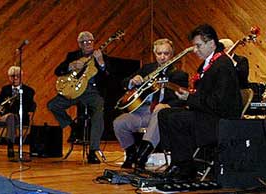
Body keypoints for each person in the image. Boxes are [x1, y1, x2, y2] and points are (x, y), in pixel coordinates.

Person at [158, 24, 243, 180]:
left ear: (211, 43)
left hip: (220, 121)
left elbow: (219, 103)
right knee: (164, 114)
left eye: (198, 46)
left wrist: (189, 98)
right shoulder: (207, 64)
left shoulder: (223, 65)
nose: (195, 50)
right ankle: (178, 160)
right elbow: (204, 96)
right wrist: (188, 96)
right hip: (207, 114)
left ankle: (185, 166)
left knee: (176, 119)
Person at [113, 38, 188, 169]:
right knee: (119, 122)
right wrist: (132, 80)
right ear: (155, 54)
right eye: (159, 54)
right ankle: (131, 154)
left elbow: (181, 99)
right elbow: (124, 82)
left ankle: (143, 156)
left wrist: (167, 106)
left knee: (159, 111)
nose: (163, 57)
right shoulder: (147, 69)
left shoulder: (179, 75)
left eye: (166, 53)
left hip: (161, 112)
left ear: (172, 55)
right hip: (142, 111)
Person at [47, 31, 108, 164]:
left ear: (93, 42)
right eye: (84, 42)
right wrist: (71, 65)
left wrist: (101, 62)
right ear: (80, 44)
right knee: (53, 105)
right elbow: (58, 71)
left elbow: (109, 77)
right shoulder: (72, 56)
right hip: (74, 90)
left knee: (98, 111)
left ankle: (93, 151)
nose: (87, 44)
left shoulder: (100, 55)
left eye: (90, 41)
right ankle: (73, 126)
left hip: (91, 91)